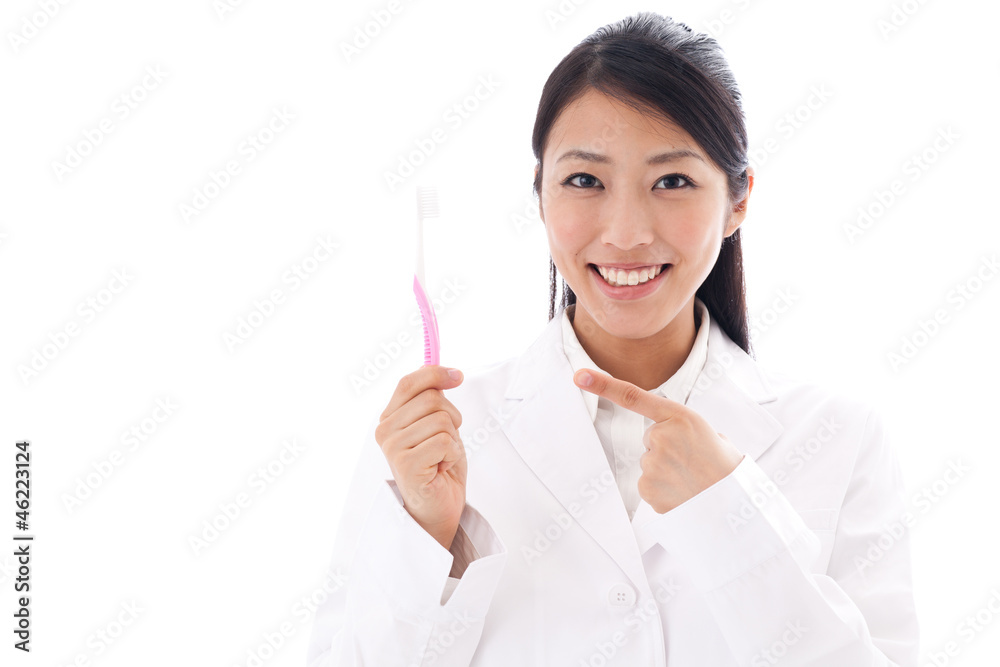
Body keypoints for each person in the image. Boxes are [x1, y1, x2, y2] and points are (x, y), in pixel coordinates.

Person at [307, 11, 920, 666]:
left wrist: (733, 519)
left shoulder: (838, 437)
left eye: (673, 181)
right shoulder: (432, 437)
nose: (626, 232)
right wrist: (427, 539)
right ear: (540, 195)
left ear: (738, 199)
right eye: (585, 180)